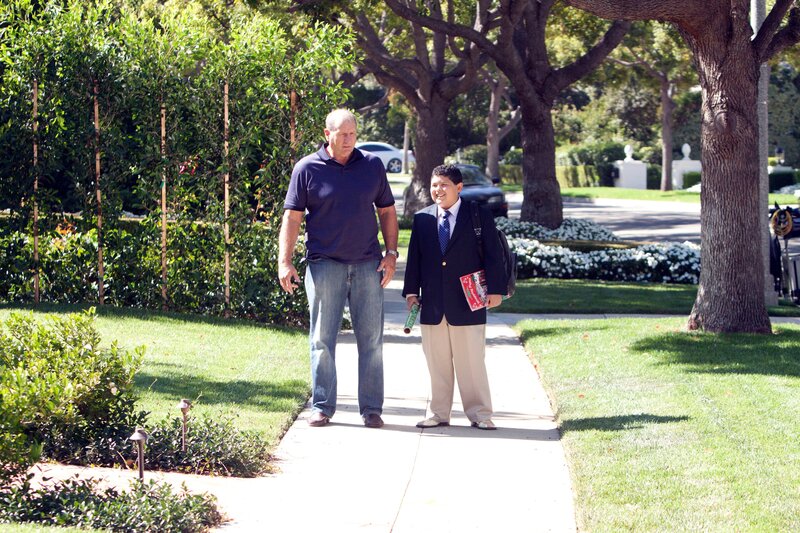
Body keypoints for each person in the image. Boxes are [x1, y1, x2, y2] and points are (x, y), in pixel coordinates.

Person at [278, 109, 399, 429]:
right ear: (327, 134)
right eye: (343, 134)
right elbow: (292, 217)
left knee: (371, 341)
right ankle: (322, 406)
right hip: (324, 265)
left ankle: (371, 409)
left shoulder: (372, 165)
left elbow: (387, 211)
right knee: (321, 340)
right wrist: (284, 261)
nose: (349, 140)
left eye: (353, 134)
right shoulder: (307, 168)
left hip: (367, 265)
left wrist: (391, 254)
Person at [402, 164, 507, 430]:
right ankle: (439, 413)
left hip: (468, 302)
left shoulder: (478, 215)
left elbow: (493, 255)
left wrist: (496, 290)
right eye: (434, 185)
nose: (438, 190)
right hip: (432, 305)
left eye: (444, 185)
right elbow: (414, 258)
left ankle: (480, 414)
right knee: (437, 364)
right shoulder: (422, 219)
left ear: (459, 188)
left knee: (471, 363)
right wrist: (411, 292)